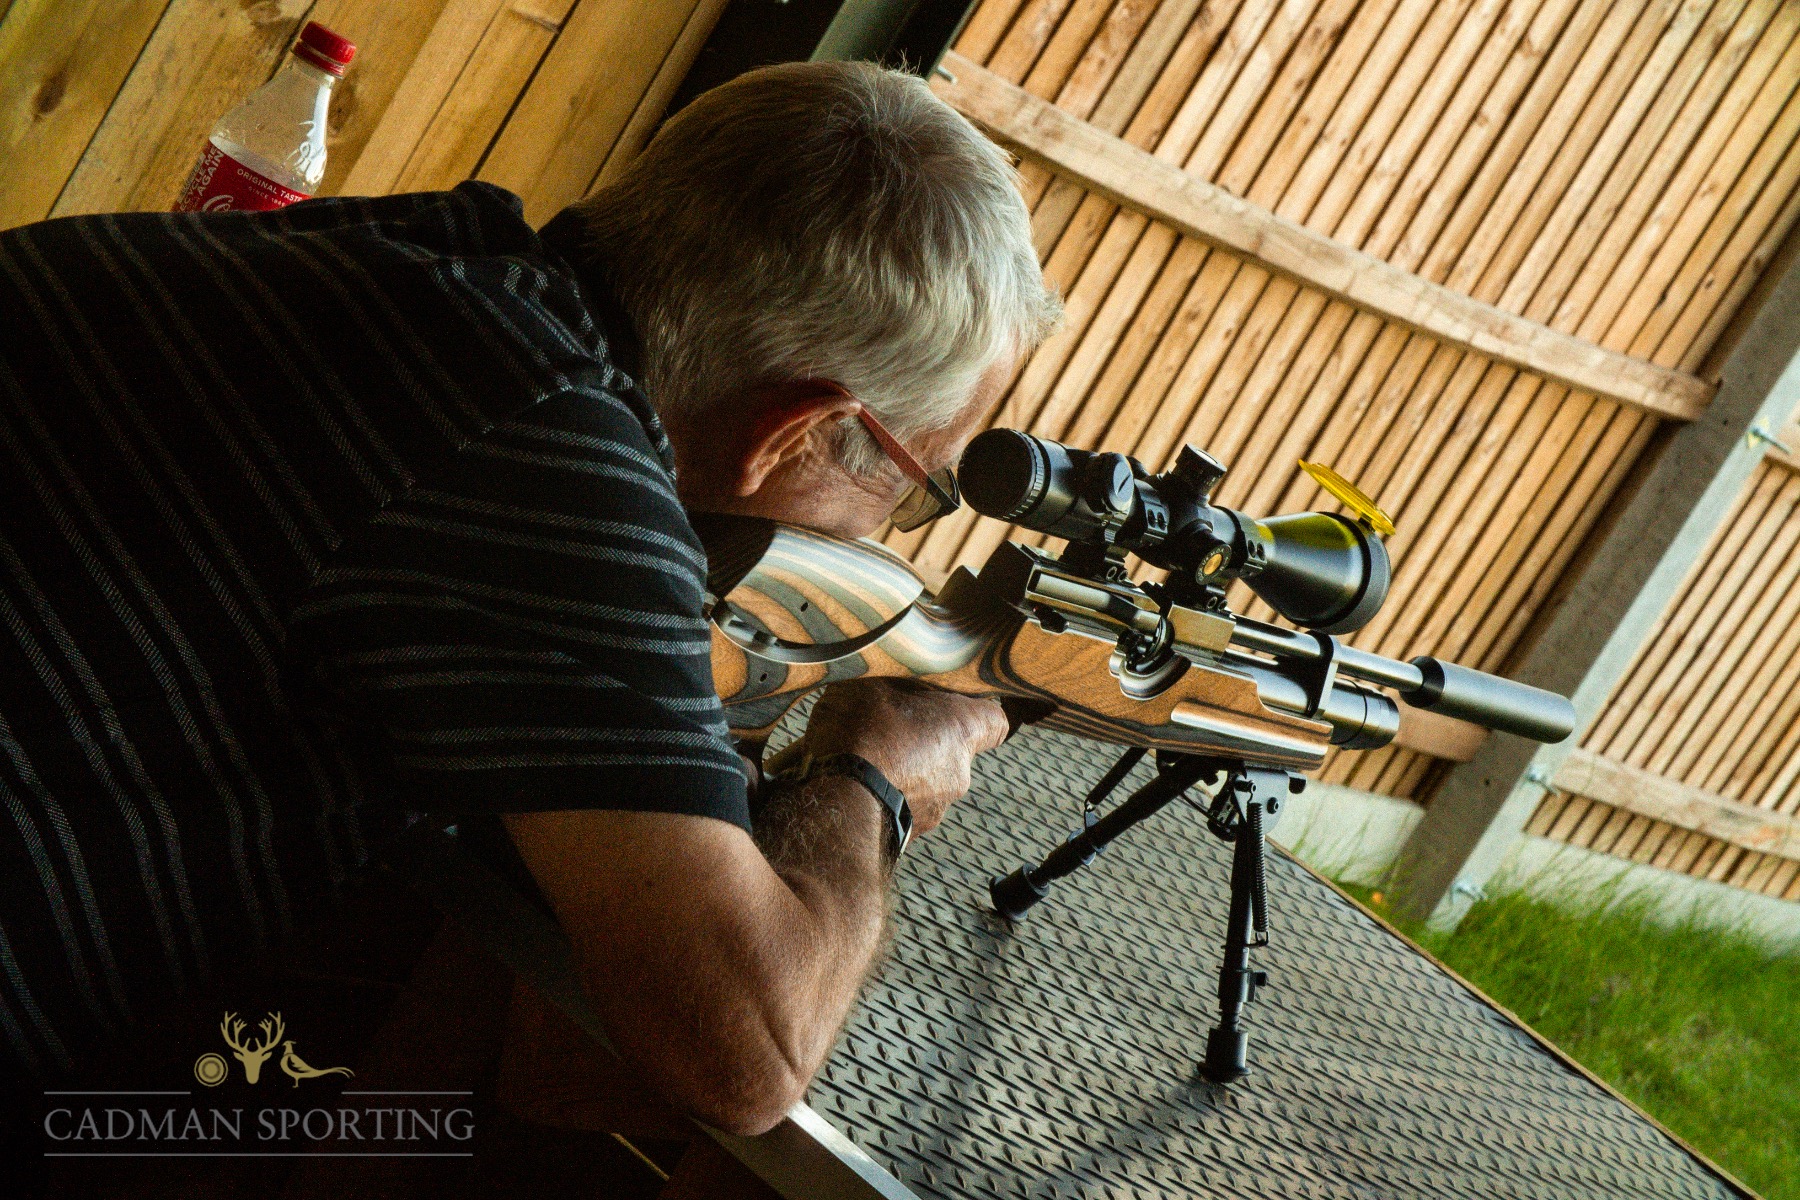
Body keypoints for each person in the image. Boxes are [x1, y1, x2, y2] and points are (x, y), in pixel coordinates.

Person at [0, 57, 1057, 1185]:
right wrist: (878, 770)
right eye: (915, 480)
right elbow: (747, 1053)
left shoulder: (423, 257)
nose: (895, 524)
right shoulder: (553, 462)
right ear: (794, 432)